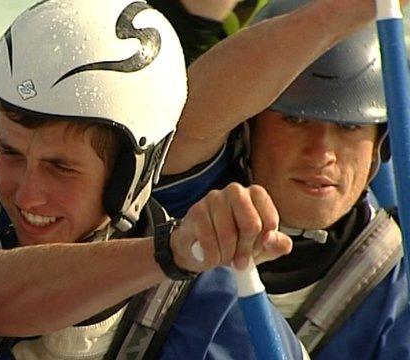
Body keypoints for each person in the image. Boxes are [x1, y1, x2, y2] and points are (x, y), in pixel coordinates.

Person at [0, 0, 303, 359]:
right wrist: (172, 253)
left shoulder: (219, 310)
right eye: (10, 152)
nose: (27, 194)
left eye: (61, 167)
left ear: (131, 176)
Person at [153, 0, 410, 358]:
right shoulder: (190, 196)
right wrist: (354, 8)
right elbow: (193, 115)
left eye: (349, 127)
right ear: (248, 128)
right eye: (294, 121)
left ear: (377, 149)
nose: (321, 154)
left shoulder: (396, 288)